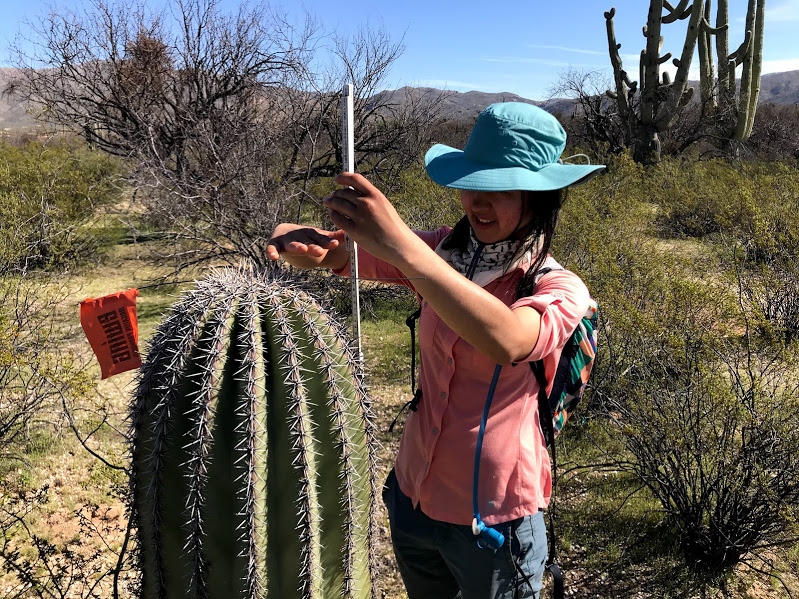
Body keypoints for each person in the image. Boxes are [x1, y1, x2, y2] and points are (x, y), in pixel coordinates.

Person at [266, 102, 605, 599]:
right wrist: (305, 242)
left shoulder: (559, 287)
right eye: (474, 184)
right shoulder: (443, 254)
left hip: (496, 521)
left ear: (540, 197)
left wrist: (402, 244)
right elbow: (344, 253)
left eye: (503, 190)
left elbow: (507, 338)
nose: (480, 203)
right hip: (413, 500)